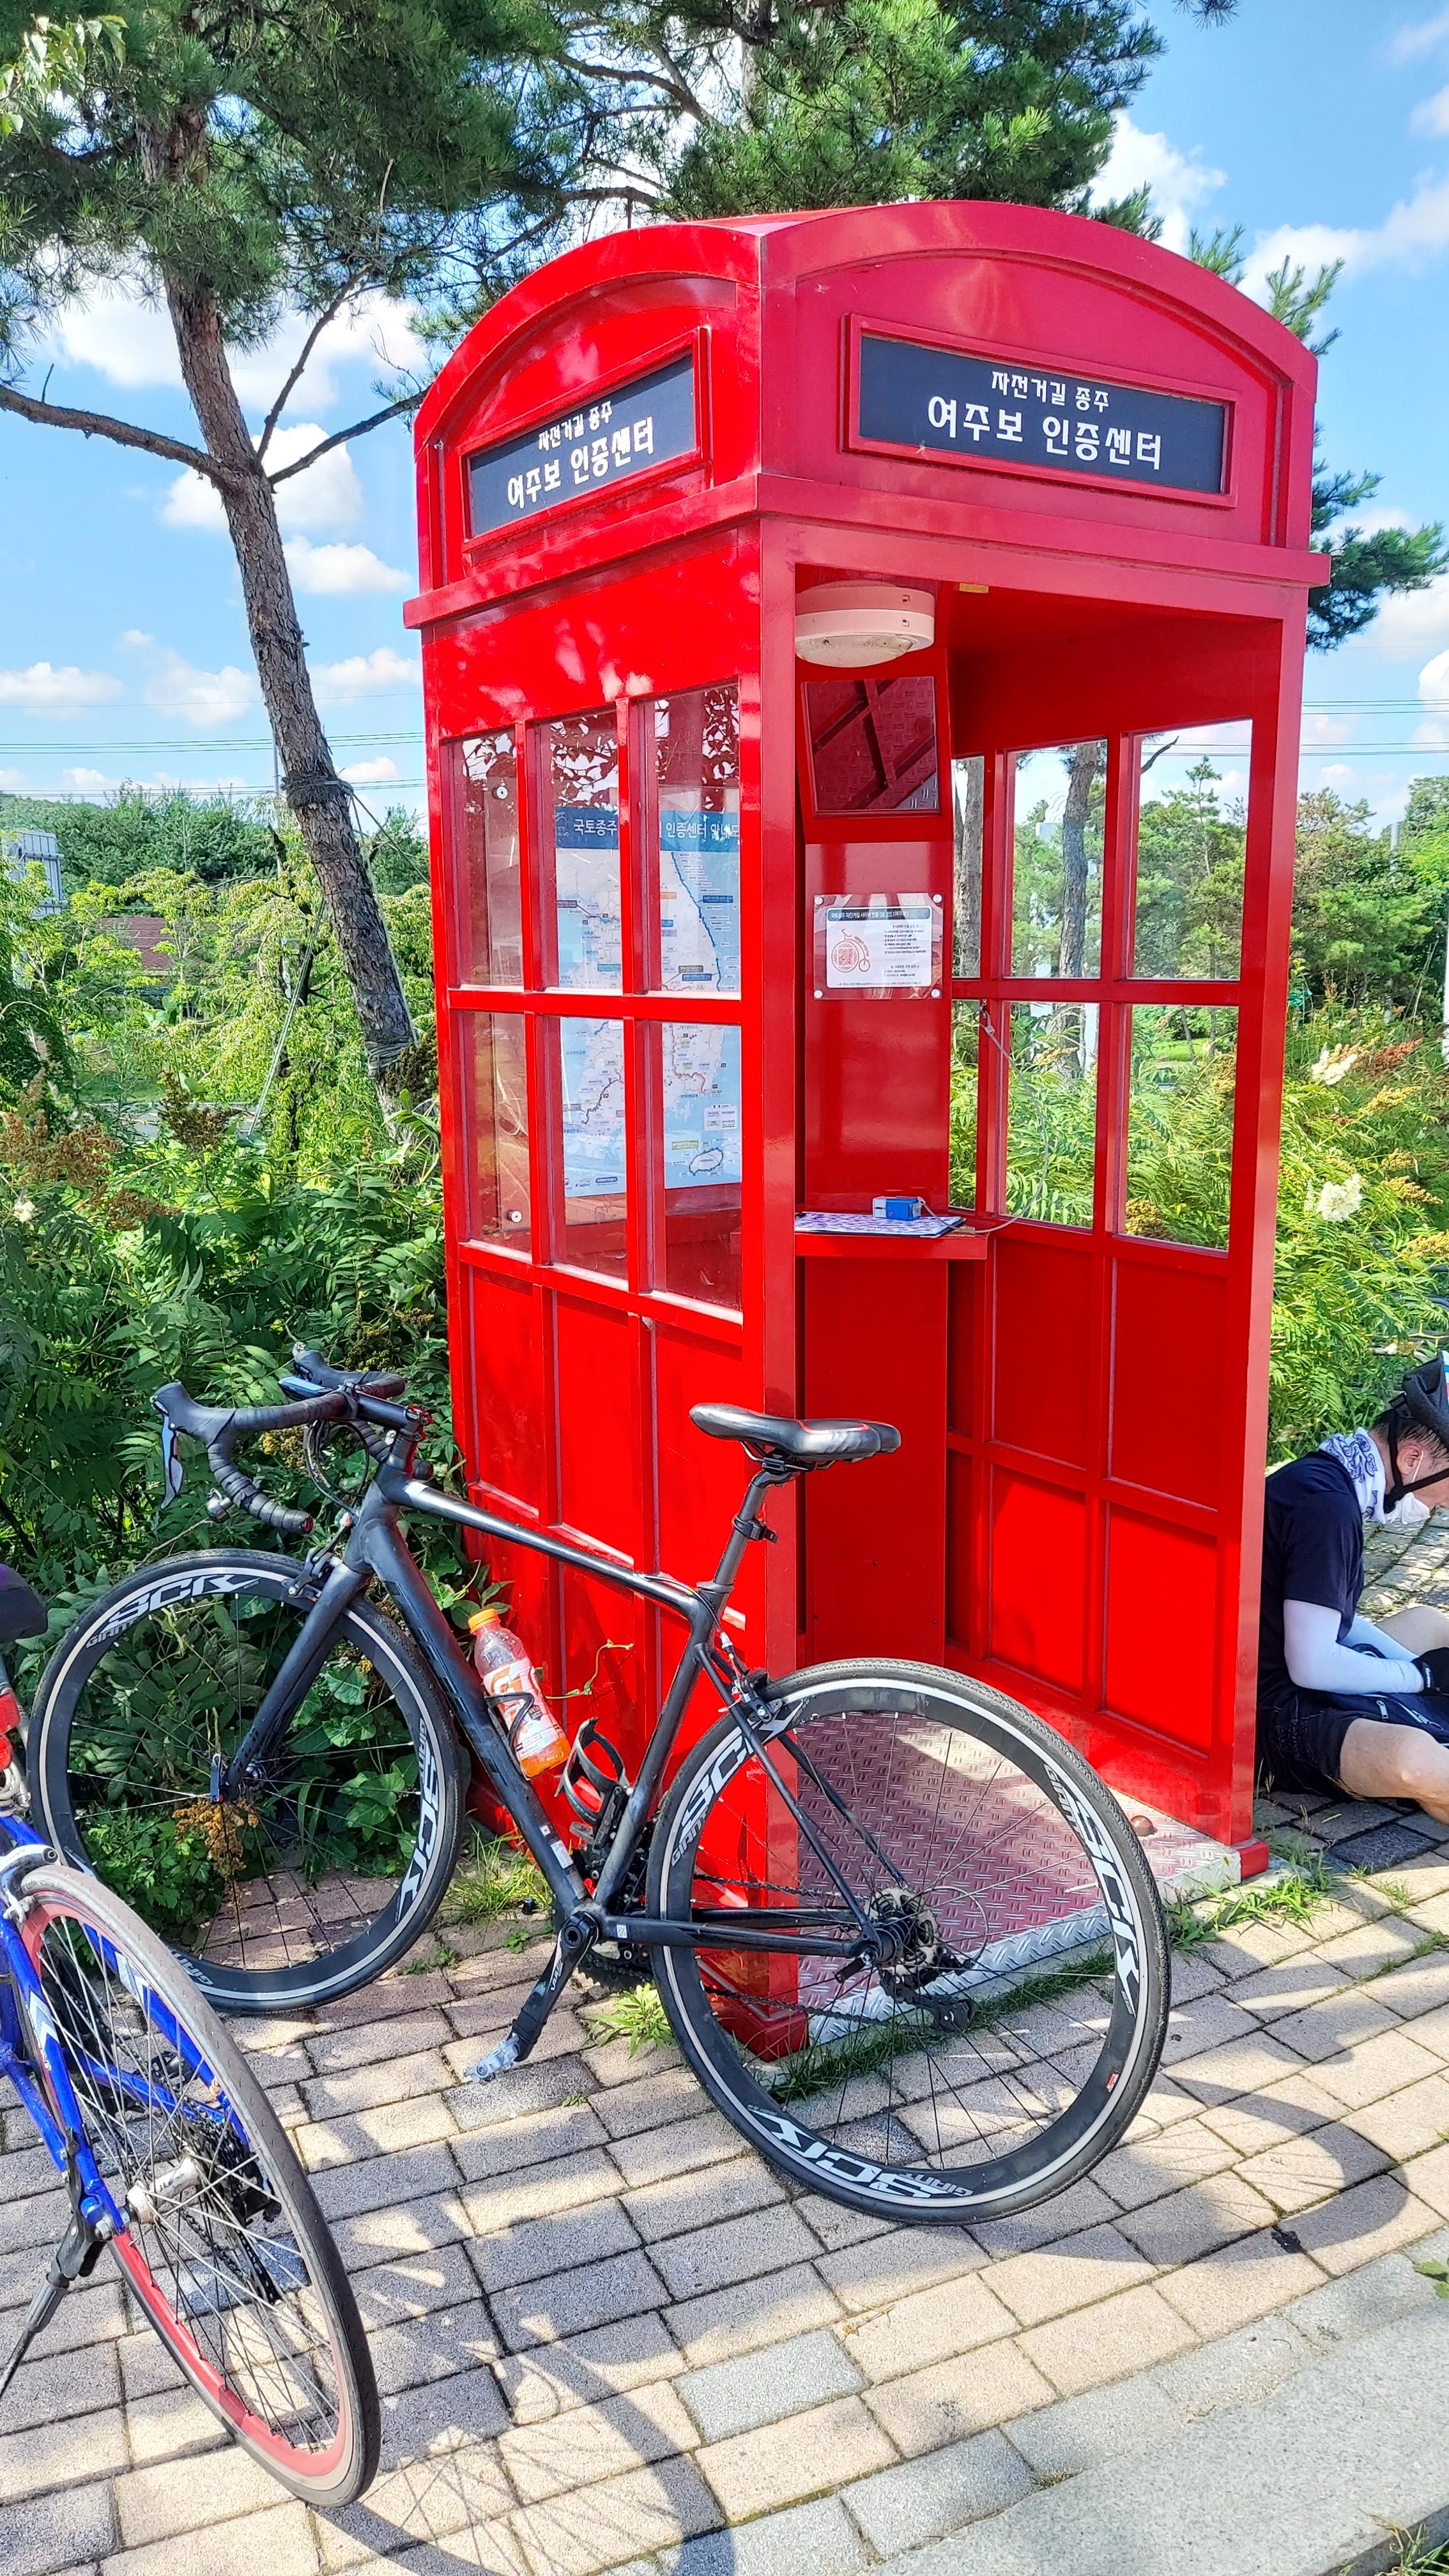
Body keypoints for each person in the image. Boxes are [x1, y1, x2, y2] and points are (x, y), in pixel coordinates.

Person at [1257, 1356, 1449, 1823]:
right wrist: (1420, 1677)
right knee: (1416, 1762)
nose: (1445, 1505)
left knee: (1428, 1622)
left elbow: (1331, 1620)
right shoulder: (1328, 1509)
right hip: (1270, 1710)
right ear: (1412, 1460)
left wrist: (1415, 1667)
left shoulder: (1328, 1478)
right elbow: (1313, 1665)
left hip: (1283, 1665)